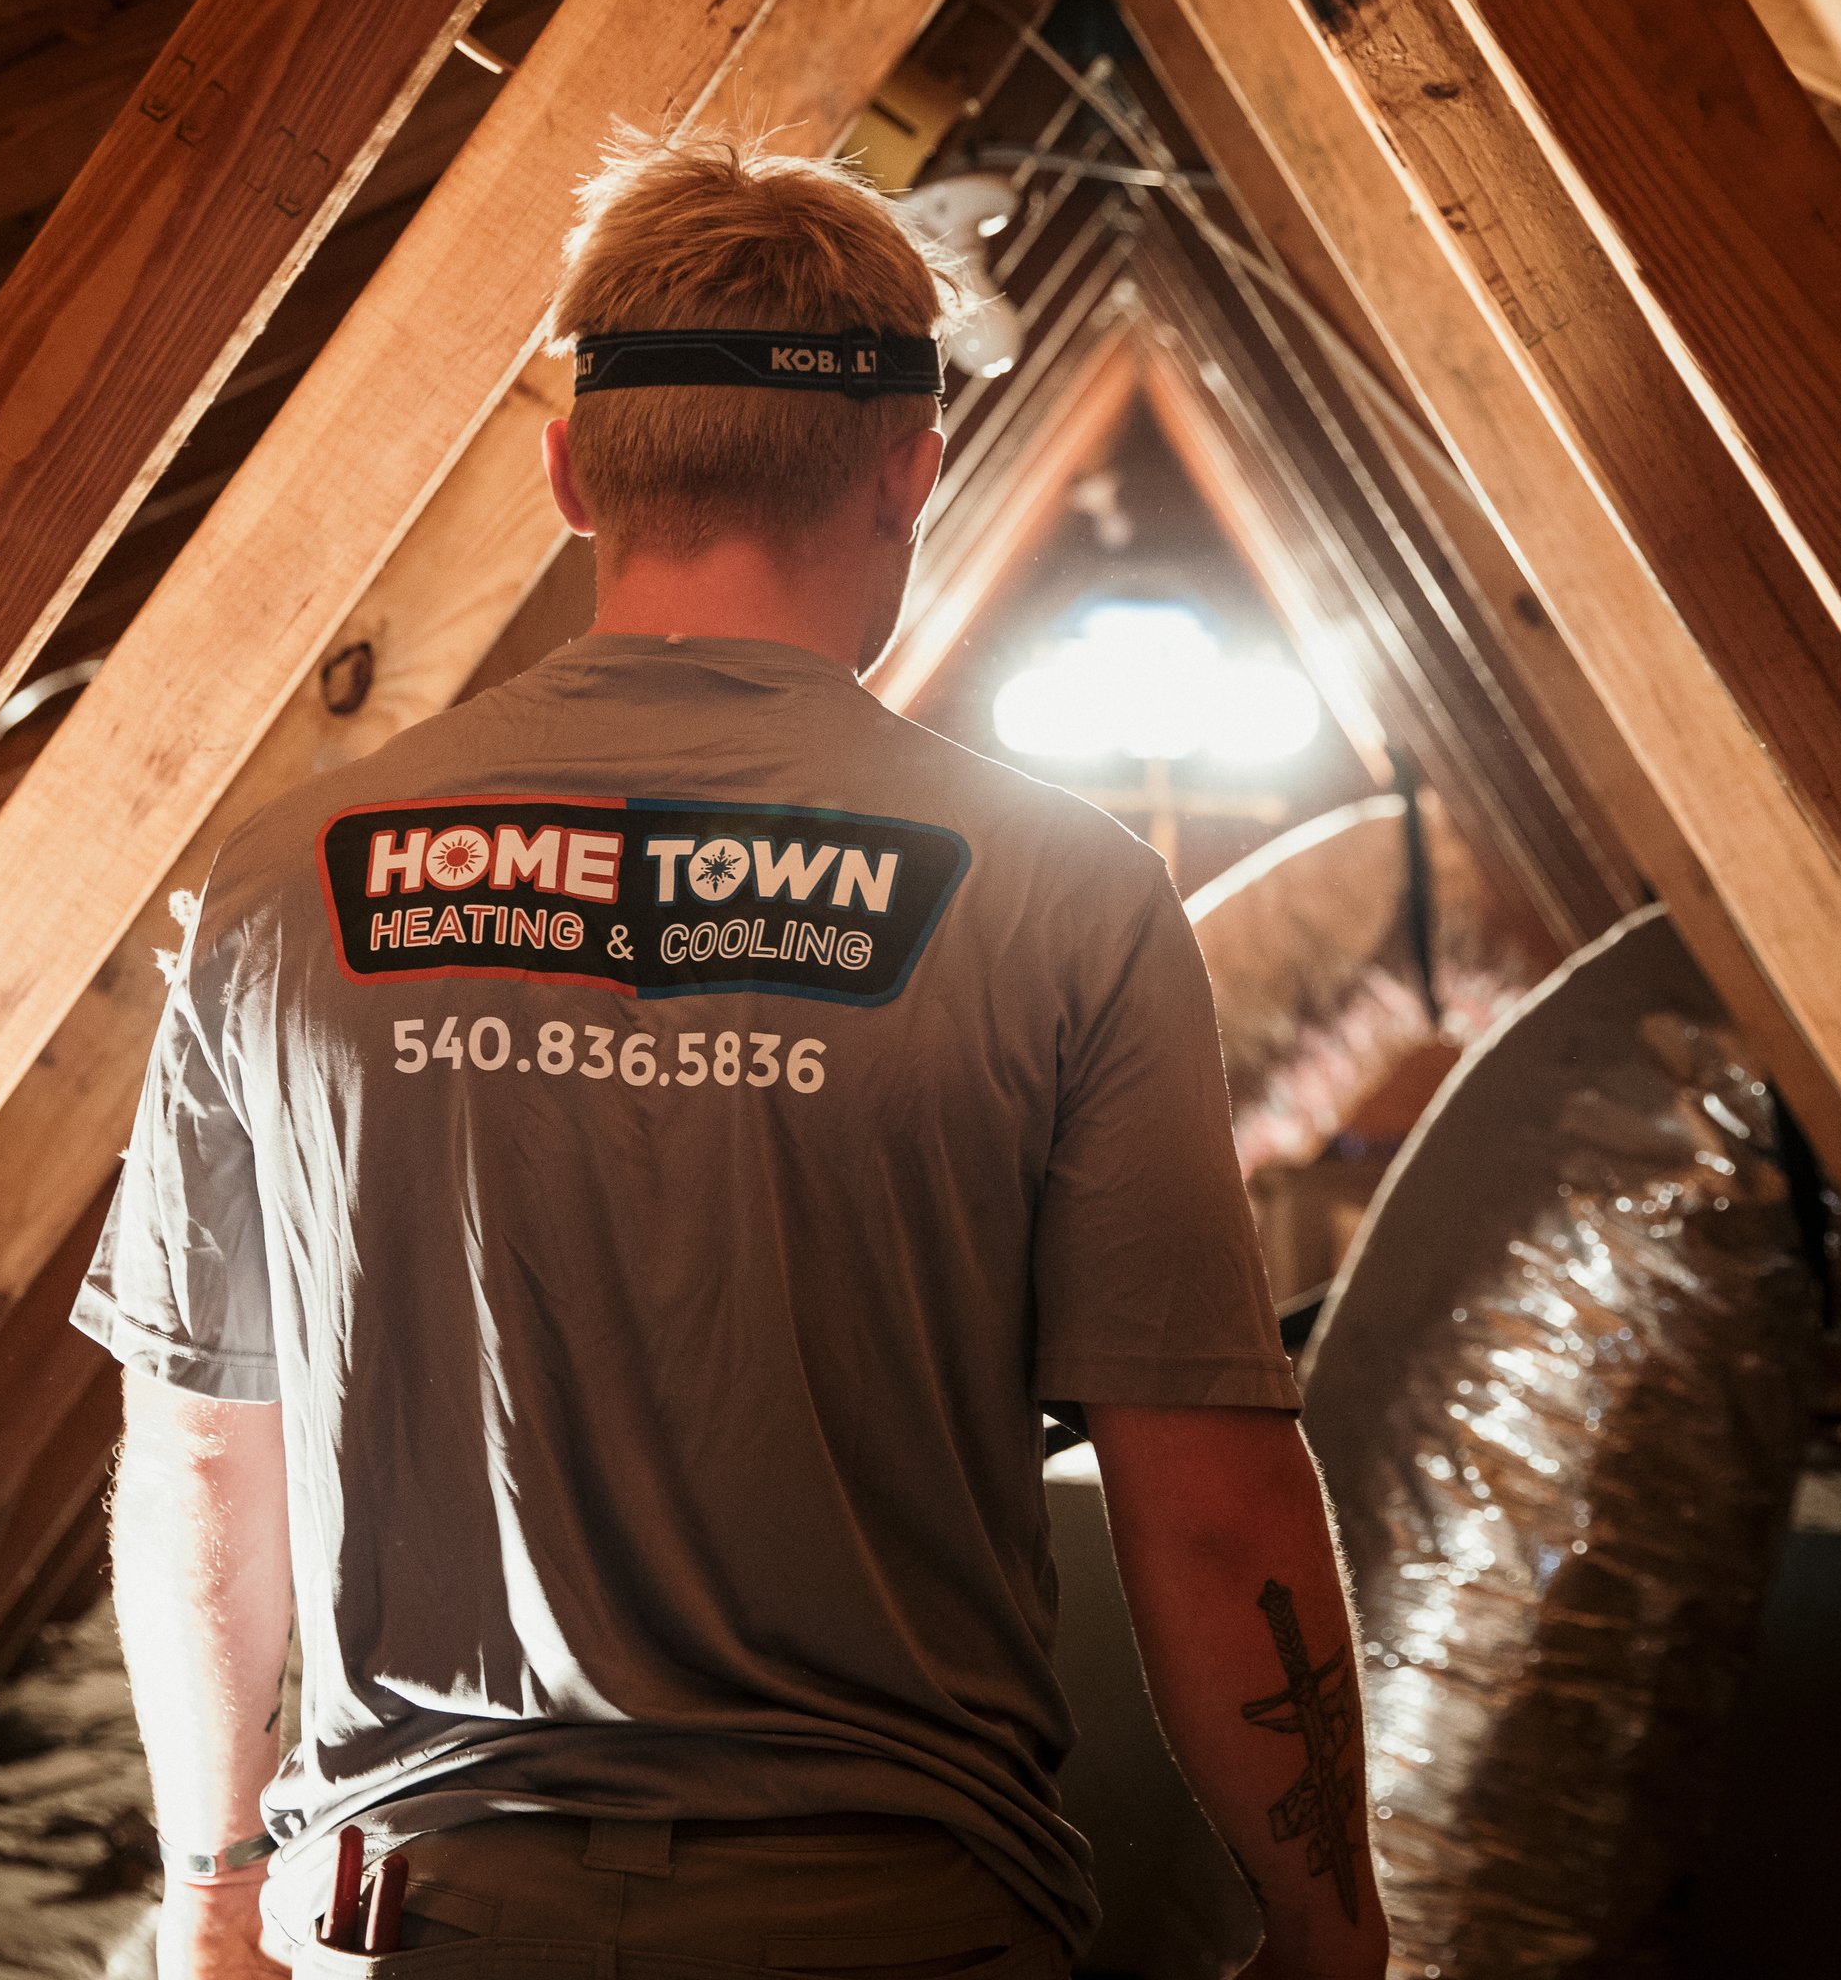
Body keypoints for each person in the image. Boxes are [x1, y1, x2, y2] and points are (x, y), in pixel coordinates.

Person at [76, 135, 1390, 1980]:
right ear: (910, 471)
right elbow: (1212, 1500)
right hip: (898, 1928)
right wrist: (1331, 1935)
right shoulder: (1067, 900)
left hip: (420, 1920)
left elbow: (205, 1463)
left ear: (566, 472)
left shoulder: (287, 885)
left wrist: (213, 1897)